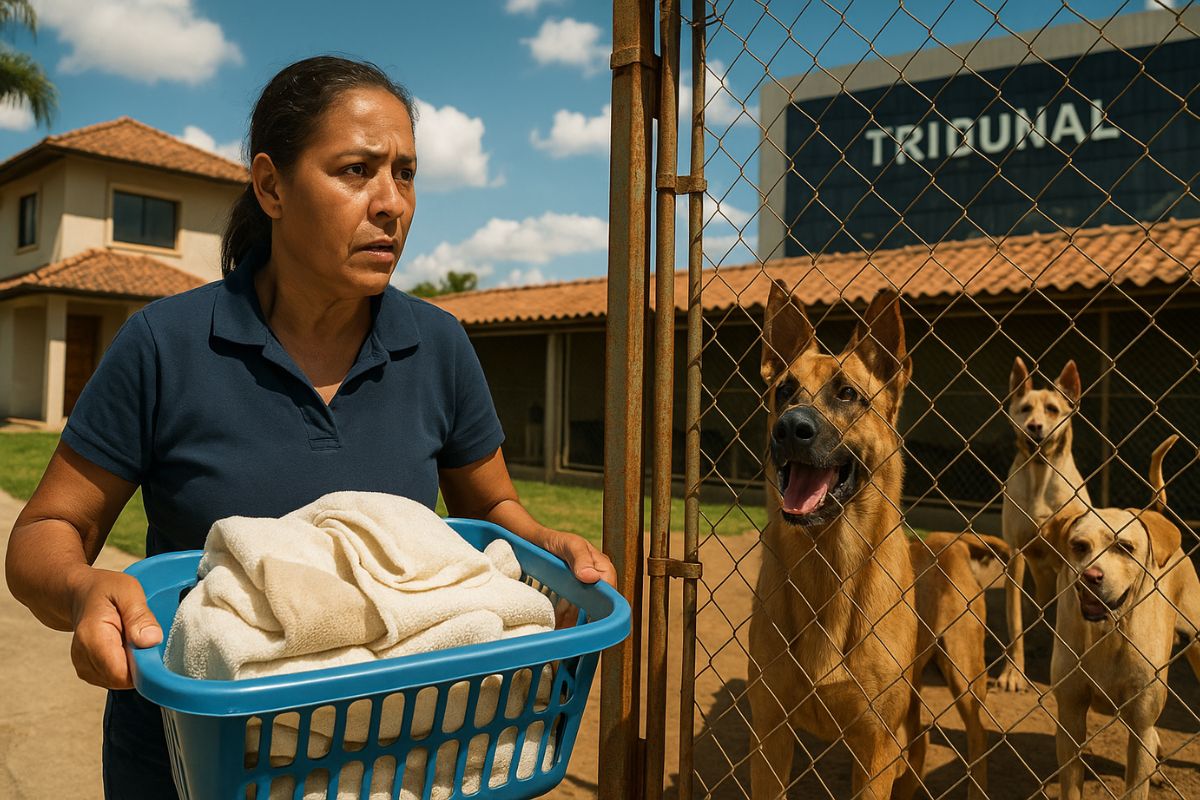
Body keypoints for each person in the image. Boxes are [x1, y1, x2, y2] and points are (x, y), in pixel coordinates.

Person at [4, 55, 616, 799]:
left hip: (395, 759)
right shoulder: (166, 345)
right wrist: (79, 589)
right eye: (356, 171)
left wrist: (540, 543)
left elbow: (489, 510)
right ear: (271, 186)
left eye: (406, 173)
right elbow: (46, 531)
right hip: (193, 762)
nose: (391, 202)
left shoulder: (439, 345)